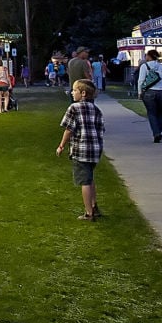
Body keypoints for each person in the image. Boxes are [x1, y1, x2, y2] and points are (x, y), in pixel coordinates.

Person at [56, 79, 104, 221]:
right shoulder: (96, 110)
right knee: (89, 177)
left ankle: (89, 213)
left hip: (81, 149)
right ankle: (94, 206)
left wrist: (61, 146)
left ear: (83, 93)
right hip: (95, 149)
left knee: (84, 181)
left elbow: (69, 129)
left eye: (74, 90)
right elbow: (101, 129)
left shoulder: (74, 108)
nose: (72, 92)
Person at [137, 49, 162, 143]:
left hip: (149, 92)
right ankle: (159, 131)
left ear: (149, 56)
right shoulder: (161, 66)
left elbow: (141, 80)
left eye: (146, 55)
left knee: (151, 113)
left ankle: (156, 133)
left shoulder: (144, 66)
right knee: (159, 113)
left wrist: (140, 92)